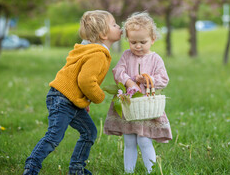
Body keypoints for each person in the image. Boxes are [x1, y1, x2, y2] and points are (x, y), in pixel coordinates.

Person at [23, 10, 122, 175]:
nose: (118, 26)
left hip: (69, 99)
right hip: (62, 99)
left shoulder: (89, 49)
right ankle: (31, 168)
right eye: (114, 24)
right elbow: (85, 81)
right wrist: (99, 97)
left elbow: (77, 77)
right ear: (103, 34)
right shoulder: (97, 54)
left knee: (89, 132)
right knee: (54, 135)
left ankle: (77, 169)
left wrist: (84, 101)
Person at [104, 12, 172, 174]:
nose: (138, 46)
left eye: (143, 42)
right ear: (128, 39)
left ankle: (152, 170)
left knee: (144, 139)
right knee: (129, 140)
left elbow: (163, 79)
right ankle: (129, 171)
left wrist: (148, 80)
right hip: (129, 105)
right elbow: (118, 71)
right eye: (133, 42)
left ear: (153, 39)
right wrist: (129, 81)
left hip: (146, 106)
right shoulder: (127, 56)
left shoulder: (155, 59)